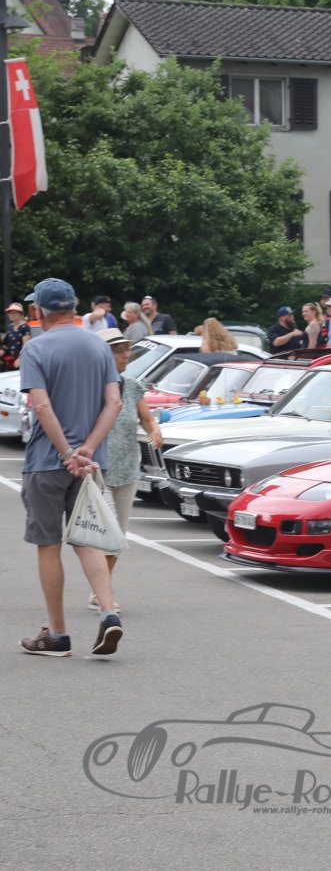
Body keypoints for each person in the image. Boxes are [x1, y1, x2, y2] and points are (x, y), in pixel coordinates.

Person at [17, 277, 125, 658]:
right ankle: (109, 612)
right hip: (91, 464)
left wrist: (66, 452)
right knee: (87, 539)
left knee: (48, 544)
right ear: (74, 306)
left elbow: (41, 406)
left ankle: (58, 634)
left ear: (39, 311)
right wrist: (88, 449)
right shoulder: (99, 347)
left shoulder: (36, 348)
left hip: (47, 462)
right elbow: (114, 403)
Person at [97, 328, 161, 607]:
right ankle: (103, 594)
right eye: (119, 351)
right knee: (107, 532)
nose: (126, 355)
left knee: (119, 535)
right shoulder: (91, 388)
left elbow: (146, 418)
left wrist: (154, 430)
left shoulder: (132, 386)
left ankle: (100, 590)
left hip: (127, 469)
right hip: (98, 470)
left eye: (126, 350)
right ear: (103, 356)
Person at [3, 302, 30, 369]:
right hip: (10, 360)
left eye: (14, 313)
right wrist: (2, 350)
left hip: (21, 361)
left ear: (20, 314)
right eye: (9, 313)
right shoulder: (10, 327)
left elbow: (26, 346)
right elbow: (6, 344)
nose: (11, 315)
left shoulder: (25, 327)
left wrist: (20, 358)